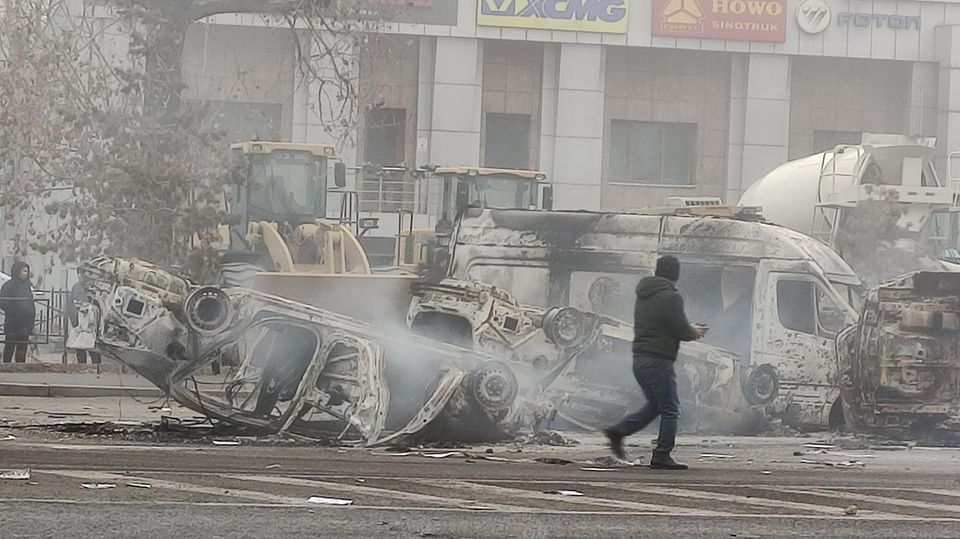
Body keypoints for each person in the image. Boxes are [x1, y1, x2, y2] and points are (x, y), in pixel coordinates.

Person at [603, 256, 707, 470]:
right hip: (659, 360)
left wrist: (686, 328)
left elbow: (662, 323)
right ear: (675, 273)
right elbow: (681, 330)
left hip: (640, 358)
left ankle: (618, 431)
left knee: (654, 406)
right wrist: (694, 331)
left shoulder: (644, 294)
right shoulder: (672, 297)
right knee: (670, 409)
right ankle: (661, 454)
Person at [0, 261, 36, 364]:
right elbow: (3, 301)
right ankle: (7, 366)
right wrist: (14, 312)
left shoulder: (26, 286)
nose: (26, 273)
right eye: (24, 271)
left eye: (27, 271)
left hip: (25, 323)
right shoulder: (9, 285)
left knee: (22, 348)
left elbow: (30, 301)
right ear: (17, 271)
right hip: (13, 322)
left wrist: (31, 317)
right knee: (10, 346)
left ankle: (20, 367)